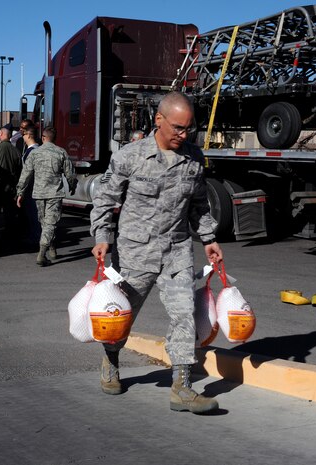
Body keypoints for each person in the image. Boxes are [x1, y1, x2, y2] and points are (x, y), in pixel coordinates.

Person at [89, 91, 223, 413]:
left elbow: (199, 204)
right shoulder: (129, 157)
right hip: (136, 251)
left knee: (184, 314)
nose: (183, 134)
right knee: (121, 316)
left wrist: (208, 239)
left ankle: (182, 387)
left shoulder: (193, 157)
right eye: (177, 127)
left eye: (188, 128)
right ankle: (110, 360)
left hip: (176, 249)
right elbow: (105, 199)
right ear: (158, 120)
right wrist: (103, 236)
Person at [16, 127, 76, 266]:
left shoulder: (35, 153)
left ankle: (46, 250)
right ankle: (45, 251)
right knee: (49, 223)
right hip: (54, 193)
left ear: (43, 137)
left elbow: (25, 174)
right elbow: (70, 174)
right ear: (54, 138)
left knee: (46, 223)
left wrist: (20, 193)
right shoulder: (61, 152)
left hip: (39, 194)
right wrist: (72, 186)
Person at [18, 127, 41, 248]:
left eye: (23, 134)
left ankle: (35, 238)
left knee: (33, 215)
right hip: (38, 187)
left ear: (28, 136)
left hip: (32, 188)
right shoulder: (39, 150)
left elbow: (27, 173)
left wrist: (21, 191)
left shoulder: (31, 152)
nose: (22, 137)